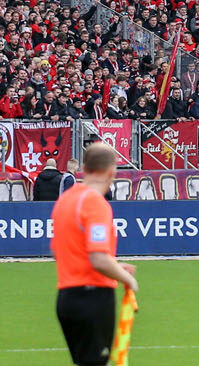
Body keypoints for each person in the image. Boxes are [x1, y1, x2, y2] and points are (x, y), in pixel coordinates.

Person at [51, 143, 138, 366]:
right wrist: (126, 278)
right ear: (112, 171)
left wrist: (115, 265)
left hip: (67, 299)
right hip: (92, 298)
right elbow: (97, 258)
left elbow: (62, 249)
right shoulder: (95, 203)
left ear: (83, 168)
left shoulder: (66, 201)